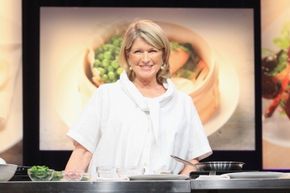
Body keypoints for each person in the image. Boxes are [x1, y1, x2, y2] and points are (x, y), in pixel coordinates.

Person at [65, 19, 212, 176]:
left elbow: (193, 160)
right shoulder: (106, 95)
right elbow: (82, 152)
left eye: (153, 50)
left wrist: (176, 187)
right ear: (128, 56)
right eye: (138, 51)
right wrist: (67, 187)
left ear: (164, 55)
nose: (146, 59)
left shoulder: (183, 103)